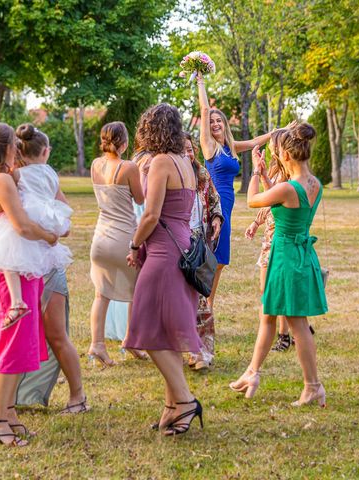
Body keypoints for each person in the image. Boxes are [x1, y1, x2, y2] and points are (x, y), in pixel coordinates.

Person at [0, 122, 58, 447]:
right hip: (11, 273)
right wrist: (50, 235)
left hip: (19, 269)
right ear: (7, 147)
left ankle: (7, 413)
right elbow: (21, 226)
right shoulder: (1, 180)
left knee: (19, 342)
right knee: (10, 345)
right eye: (14, 146)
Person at [230, 122, 328, 405]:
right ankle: (252, 372)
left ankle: (313, 386)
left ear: (285, 156)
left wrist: (254, 172)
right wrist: (265, 176)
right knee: (269, 315)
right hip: (300, 254)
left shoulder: (288, 187)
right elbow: (284, 200)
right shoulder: (313, 184)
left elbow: (252, 202)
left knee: (296, 323)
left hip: (285, 255)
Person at [125, 104, 203, 436]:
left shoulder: (160, 162)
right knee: (167, 329)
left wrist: (133, 245)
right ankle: (172, 405)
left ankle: (185, 401)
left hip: (164, 251)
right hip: (182, 244)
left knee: (145, 327)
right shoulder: (184, 161)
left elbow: (151, 215)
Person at [0, 268, 89, 414]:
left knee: (56, 335)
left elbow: (52, 242)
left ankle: (78, 397)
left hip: (45, 270)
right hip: (9, 275)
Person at [0, 124, 72, 330]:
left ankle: (17, 302)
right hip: (43, 220)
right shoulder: (50, 174)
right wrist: (51, 234)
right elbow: (29, 224)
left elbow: (22, 223)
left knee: (9, 257)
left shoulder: (10, 176)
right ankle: (18, 303)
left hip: (27, 220)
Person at [196, 73, 272, 309]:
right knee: (211, 258)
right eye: (212, 122)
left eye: (219, 121)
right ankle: (202, 308)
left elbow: (256, 141)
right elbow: (205, 109)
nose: (215, 123)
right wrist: (200, 81)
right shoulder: (209, 146)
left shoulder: (230, 147)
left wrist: (279, 132)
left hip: (228, 208)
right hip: (214, 207)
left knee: (220, 261)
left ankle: (207, 307)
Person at [89, 121, 147, 366]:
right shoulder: (129, 167)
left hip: (100, 237)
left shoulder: (95, 164)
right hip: (124, 237)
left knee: (101, 294)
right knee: (137, 290)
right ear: (124, 143)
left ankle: (97, 345)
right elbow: (141, 197)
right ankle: (130, 340)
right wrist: (143, 176)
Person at [244, 128, 293, 352]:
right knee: (269, 290)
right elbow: (268, 202)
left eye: (272, 142)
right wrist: (256, 223)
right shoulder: (275, 169)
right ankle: (293, 329)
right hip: (270, 233)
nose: (269, 145)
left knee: (276, 290)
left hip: (280, 236)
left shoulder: (289, 174)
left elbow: (266, 198)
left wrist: (258, 173)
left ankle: (285, 335)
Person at [183, 132, 223, 371]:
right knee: (181, 301)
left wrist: (217, 218)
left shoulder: (202, 174)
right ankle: (186, 348)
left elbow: (214, 199)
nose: (187, 153)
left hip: (199, 242)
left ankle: (201, 353)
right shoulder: (172, 175)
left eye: (190, 149)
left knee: (200, 301)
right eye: (182, 149)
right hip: (177, 243)